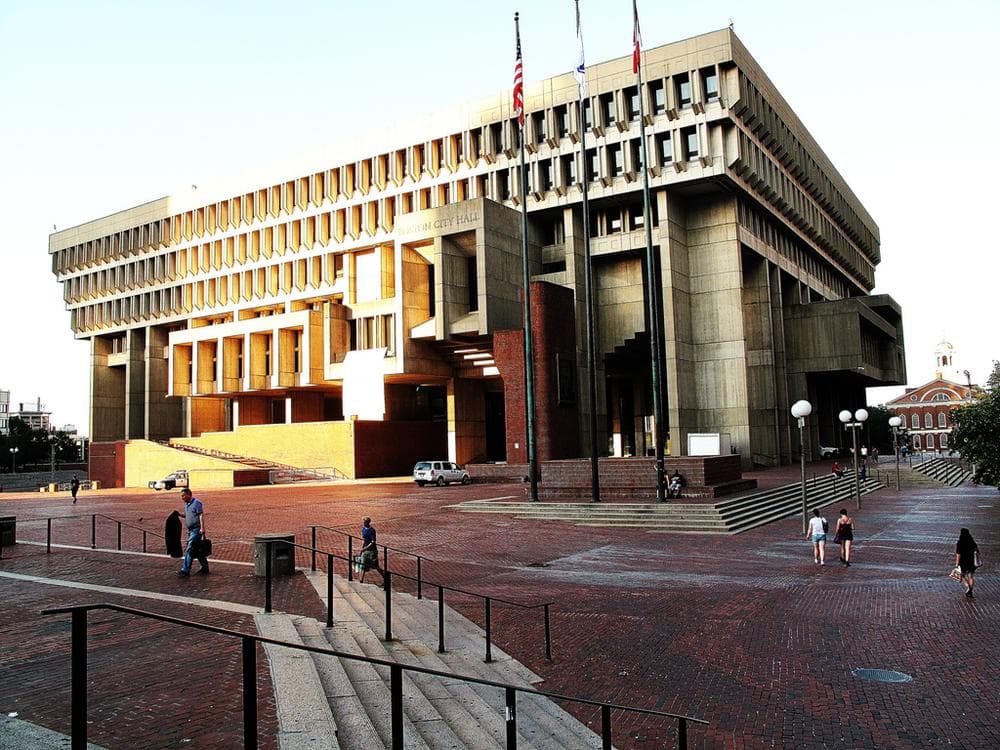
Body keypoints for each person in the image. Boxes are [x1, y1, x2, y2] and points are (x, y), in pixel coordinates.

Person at [178, 488, 209, 577]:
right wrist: (179, 515)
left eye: (183, 496)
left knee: (190, 548)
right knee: (197, 548)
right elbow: (187, 515)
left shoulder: (196, 503)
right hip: (190, 530)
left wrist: (202, 528)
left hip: (196, 530)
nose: (182, 498)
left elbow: (200, 515)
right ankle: (205, 567)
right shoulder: (187, 505)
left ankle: (185, 569)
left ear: (188, 495)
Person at [956, 528, 980, 598]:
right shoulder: (972, 542)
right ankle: (970, 591)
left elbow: (958, 554)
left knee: (962, 575)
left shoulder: (960, 543)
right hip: (971, 561)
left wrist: (957, 563)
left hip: (963, 561)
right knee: (971, 576)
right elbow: (977, 551)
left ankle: (968, 587)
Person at [359, 516, 383, 586]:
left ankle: (385, 577)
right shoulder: (363, 529)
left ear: (368, 522)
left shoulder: (372, 530)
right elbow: (364, 540)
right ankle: (361, 581)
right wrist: (362, 549)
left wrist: (365, 548)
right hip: (365, 549)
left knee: (375, 566)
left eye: (365, 522)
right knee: (363, 565)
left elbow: (373, 541)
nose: (364, 523)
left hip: (372, 550)